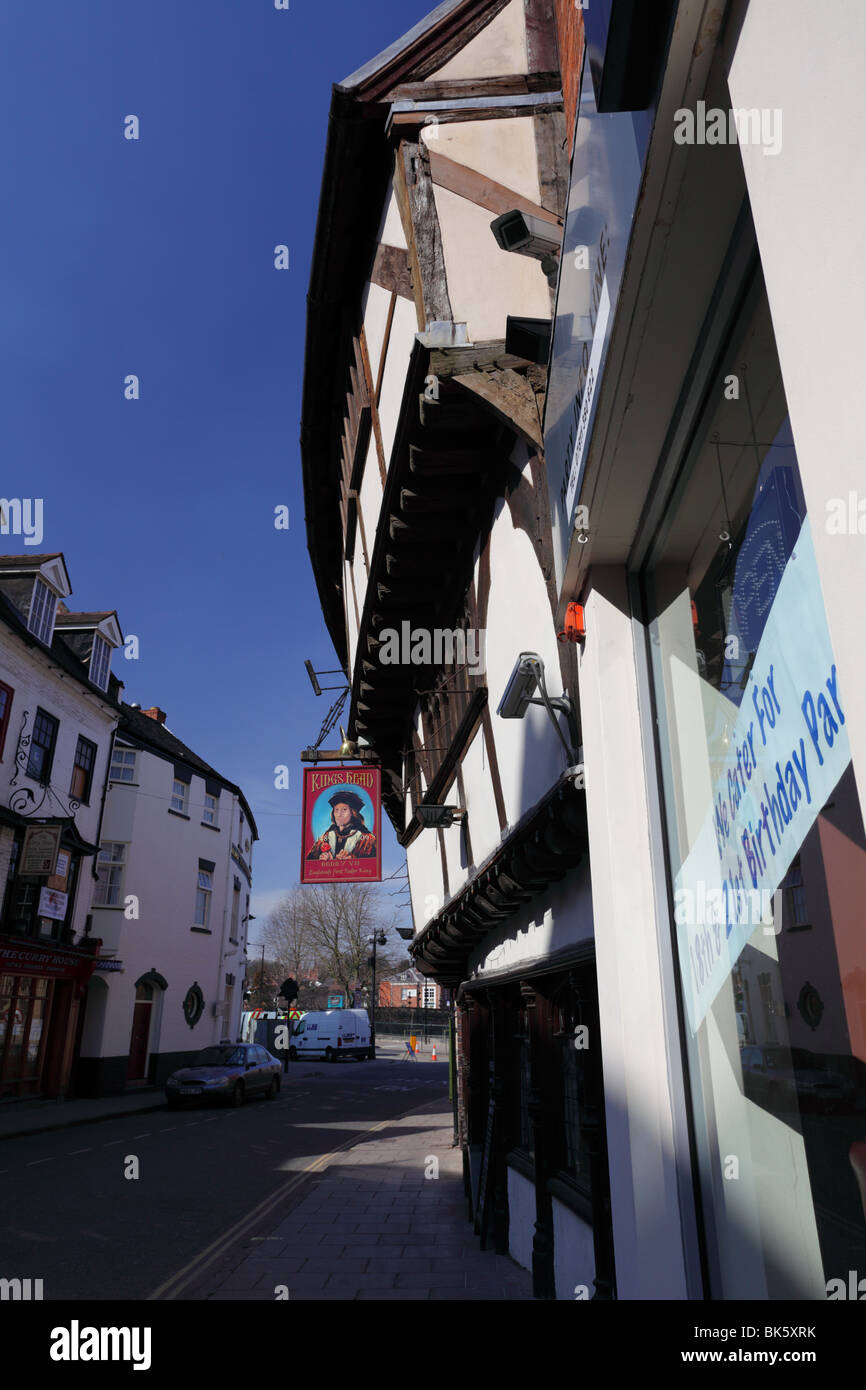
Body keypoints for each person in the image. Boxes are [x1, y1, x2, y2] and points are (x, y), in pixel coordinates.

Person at [306, 790, 377, 860]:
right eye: (336, 810)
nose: (339, 814)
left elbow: (373, 863)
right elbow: (309, 862)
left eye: (344, 810)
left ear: (353, 813)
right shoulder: (325, 837)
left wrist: (352, 859)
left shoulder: (368, 839)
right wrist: (323, 860)